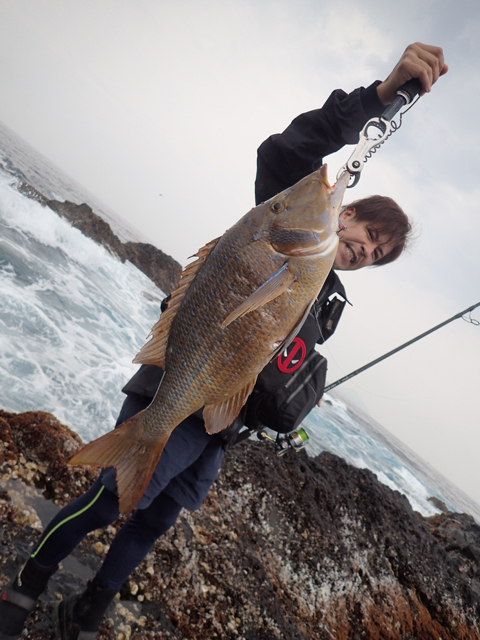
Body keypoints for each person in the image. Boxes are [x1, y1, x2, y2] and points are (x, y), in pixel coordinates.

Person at [0, 42, 447, 640]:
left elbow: (281, 358)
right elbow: (288, 149)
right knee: (109, 499)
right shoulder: (281, 221)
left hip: (220, 426)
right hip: (179, 383)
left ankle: (86, 613)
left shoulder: (327, 294)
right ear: (346, 211)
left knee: (151, 523)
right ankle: (26, 585)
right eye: (368, 233)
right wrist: (381, 96)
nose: (366, 250)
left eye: (378, 255)